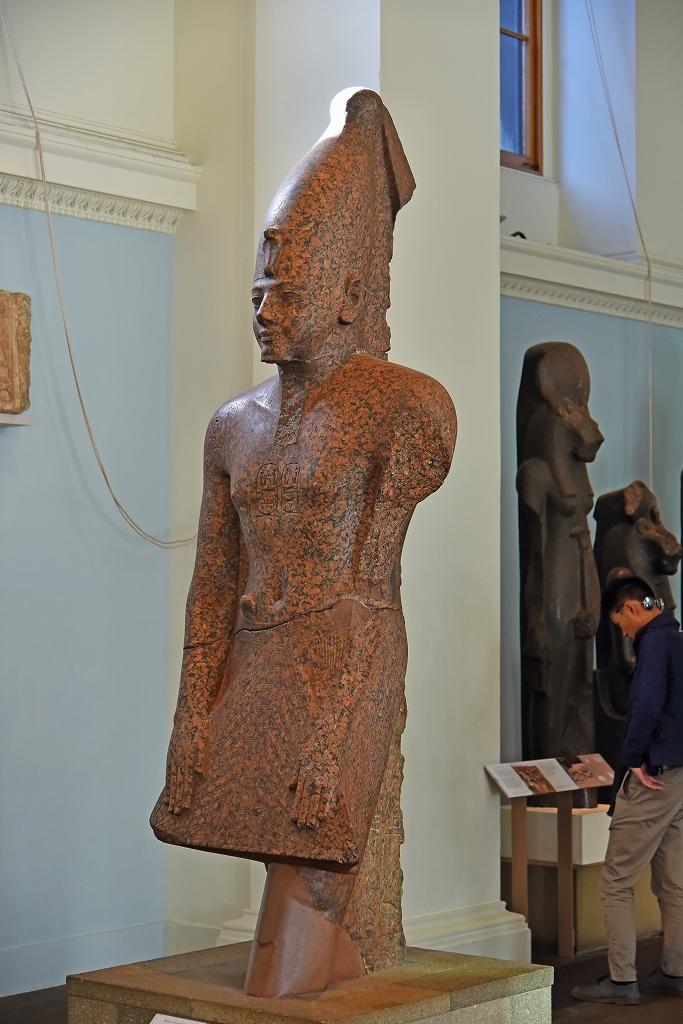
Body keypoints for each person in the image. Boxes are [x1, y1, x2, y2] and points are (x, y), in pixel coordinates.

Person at [572, 574, 683, 1005]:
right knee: (674, 883)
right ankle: (675, 971)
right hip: (680, 776)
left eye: (622, 624)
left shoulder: (653, 643)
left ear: (633, 608)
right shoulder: (677, 637)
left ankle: (621, 982)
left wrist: (633, 758)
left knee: (617, 881)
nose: (624, 632)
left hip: (654, 776)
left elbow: (645, 704)